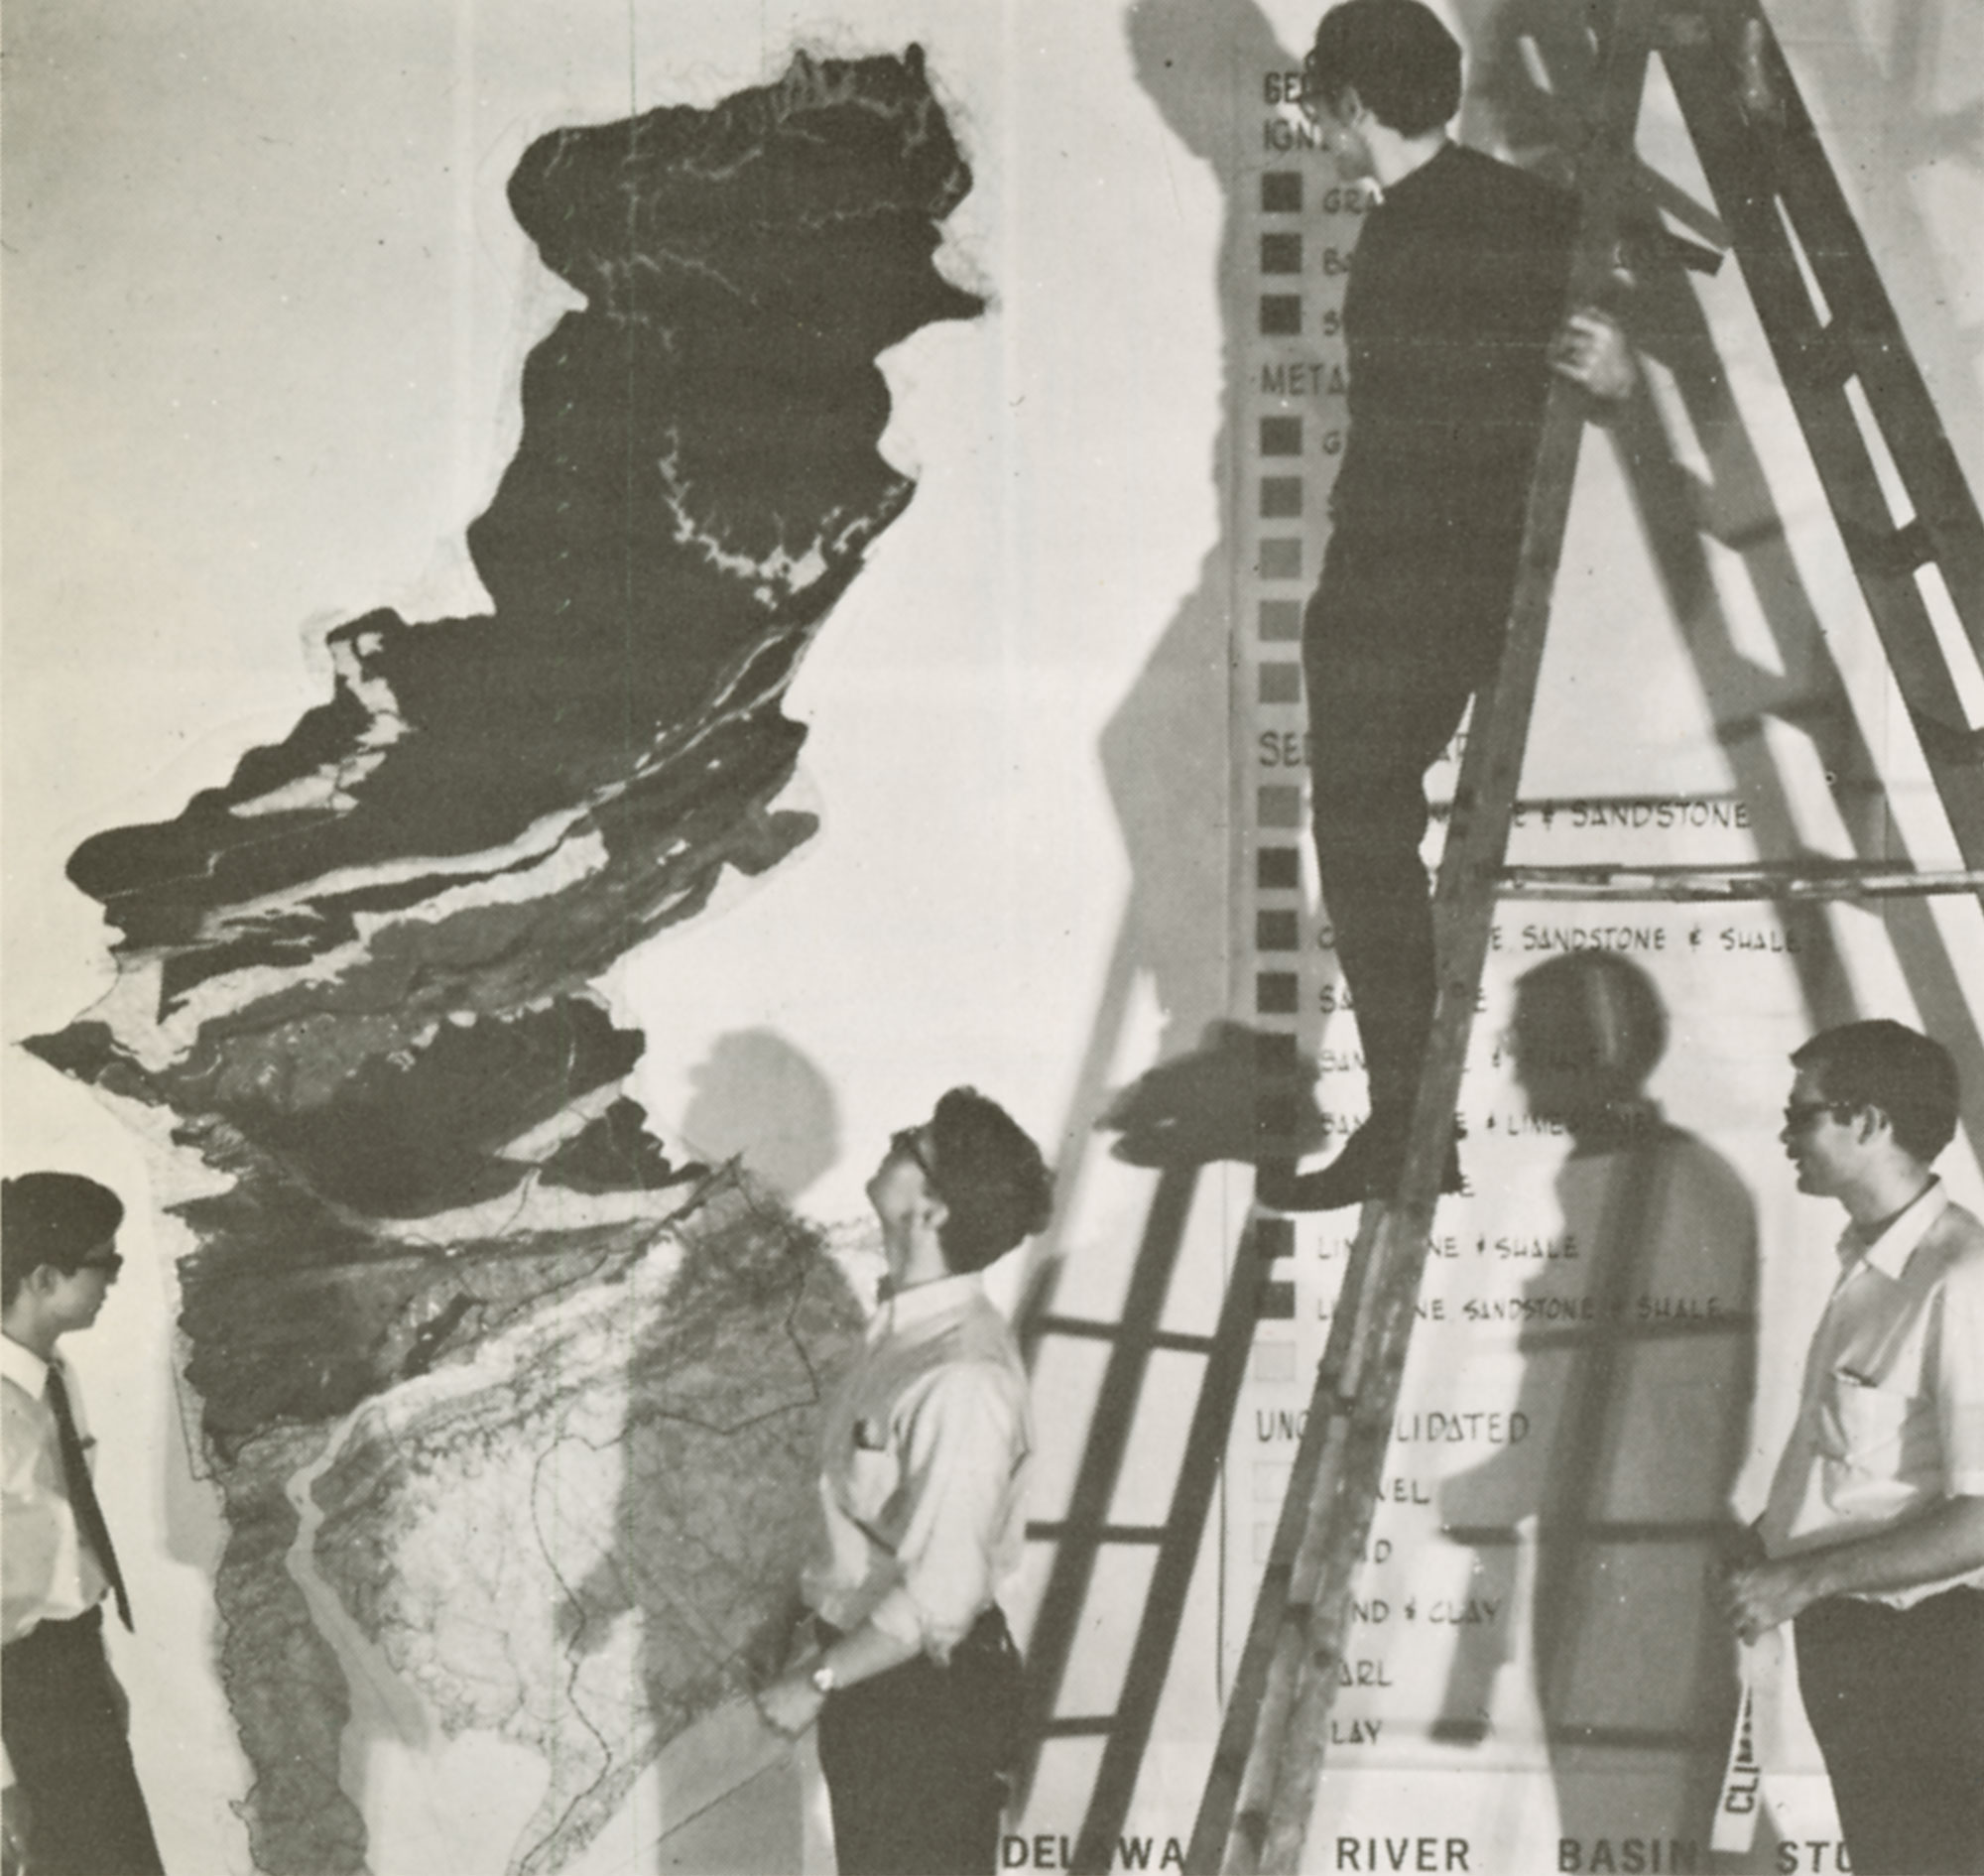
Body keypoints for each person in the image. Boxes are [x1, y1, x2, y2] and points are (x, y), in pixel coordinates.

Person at [1269, 0, 1634, 1209]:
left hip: (1407, 585)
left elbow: (1598, 325)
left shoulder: (1461, 217)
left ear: (1351, 105)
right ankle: (1407, 1115)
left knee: (1359, 828)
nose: (1311, 118)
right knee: (1365, 829)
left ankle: (1407, 1118)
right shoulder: (1485, 209)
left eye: (1316, 98)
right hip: (1412, 579)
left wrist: (1612, 368)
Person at [755, 1088, 1053, 1876]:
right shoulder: (903, 1335)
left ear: (933, 1210)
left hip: (925, 1703)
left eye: (906, 1142)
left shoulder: (962, 1376)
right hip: (882, 1686)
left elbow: (944, 1590)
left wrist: (818, 1678)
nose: (889, 1143)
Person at [1727, 1020, 1984, 1875]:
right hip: (1859, 1643)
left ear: (1869, 1122)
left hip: (1935, 1651)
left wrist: (1800, 1575)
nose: (1785, 1133)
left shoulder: (1963, 1277)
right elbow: (1863, 1461)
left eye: (1802, 1115)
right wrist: (1773, 1534)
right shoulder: (1869, 1264)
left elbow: (1982, 1520)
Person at [2, 1173, 166, 1876]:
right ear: (43, 1275)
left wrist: (94, 1673)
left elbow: (60, 1549)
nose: (113, 1281)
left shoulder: (51, 1378)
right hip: (18, 1695)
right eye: (107, 1262)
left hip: (69, 1672)